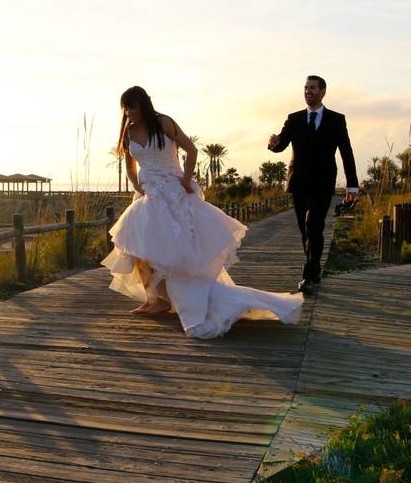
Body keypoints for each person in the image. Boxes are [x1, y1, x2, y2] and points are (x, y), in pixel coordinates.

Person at [102, 86, 304, 339]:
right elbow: (130, 165)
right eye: (125, 108)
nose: (129, 112)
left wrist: (186, 181)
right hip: (149, 195)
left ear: (143, 104)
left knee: (172, 250)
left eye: (132, 106)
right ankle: (155, 298)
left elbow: (191, 150)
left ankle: (177, 298)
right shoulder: (129, 131)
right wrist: (136, 185)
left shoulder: (163, 122)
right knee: (136, 247)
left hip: (173, 191)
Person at [268, 75, 358, 293]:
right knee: (304, 230)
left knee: (314, 226)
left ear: (322, 92)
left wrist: (352, 186)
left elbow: (346, 152)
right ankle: (313, 268)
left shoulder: (336, 120)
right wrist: (273, 144)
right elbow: (282, 144)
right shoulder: (294, 118)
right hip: (298, 182)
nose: (308, 91)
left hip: (323, 182)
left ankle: (308, 276)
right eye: (306, 88)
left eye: (312, 88)